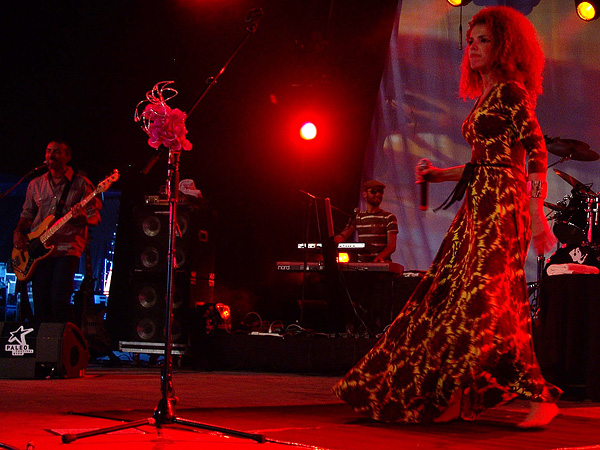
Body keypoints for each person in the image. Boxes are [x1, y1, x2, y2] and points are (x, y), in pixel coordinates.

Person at [333, 6, 561, 428]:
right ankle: (455, 392)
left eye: (484, 40)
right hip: (480, 201)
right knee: (453, 298)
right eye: (471, 41)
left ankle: (536, 395)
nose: (473, 48)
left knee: (487, 301)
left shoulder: (511, 91)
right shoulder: (487, 97)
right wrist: (439, 175)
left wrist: (536, 212)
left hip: (503, 205)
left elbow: (536, 153)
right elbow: (487, 163)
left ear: (505, 47)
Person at [13, 140, 102, 326]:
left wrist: (81, 218)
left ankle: (65, 344)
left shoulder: (81, 183)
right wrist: (19, 232)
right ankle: (44, 347)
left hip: (67, 248)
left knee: (59, 299)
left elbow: (95, 217)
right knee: (40, 301)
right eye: (48, 151)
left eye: (56, 152)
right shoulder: (35, 184)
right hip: (38, 249)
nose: (50, 155)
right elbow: (27, 214)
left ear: (67, 157)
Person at [334, 180, 398, 263]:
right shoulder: (358, 217)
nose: (378, 194)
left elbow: (391, 246)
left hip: (381, 266)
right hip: (362, 265)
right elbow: (343, 236)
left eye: (380, 192)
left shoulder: (389, 217)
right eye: (373, 191)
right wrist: (330, 242)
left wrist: (379, 257)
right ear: (364, 194)